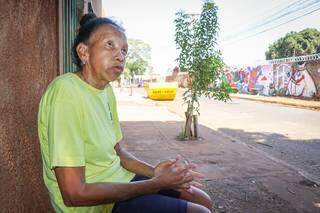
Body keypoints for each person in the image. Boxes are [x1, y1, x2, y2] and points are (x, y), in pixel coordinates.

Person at [38, 13, 212, 213]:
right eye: (109, 45)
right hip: (93, 204)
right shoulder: (66, 92)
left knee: (201, 199)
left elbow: (118, 153)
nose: (120, 55)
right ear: (84, 52)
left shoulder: (106, 91)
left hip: (119, 178)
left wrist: (155, 172)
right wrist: (156, 183)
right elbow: (74, 194)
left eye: (124, 50)